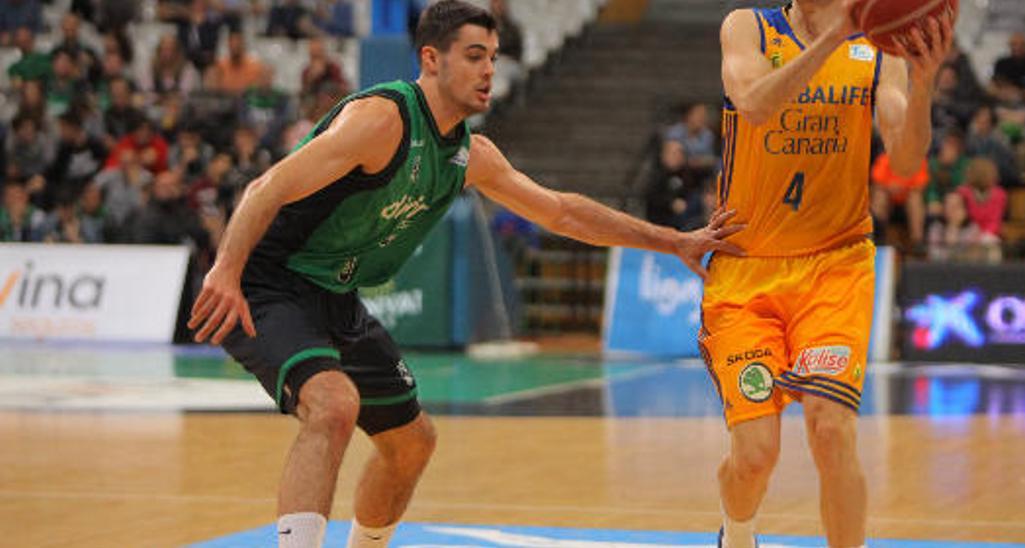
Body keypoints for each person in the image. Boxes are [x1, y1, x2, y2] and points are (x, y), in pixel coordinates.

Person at [185, 4, 741, 548]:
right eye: (474, 56)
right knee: (333, 405)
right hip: (267, 279)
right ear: (432, 59)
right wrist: (227, 271)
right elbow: (266, 188)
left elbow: (563, 211)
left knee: (412, 444)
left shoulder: (471, 154)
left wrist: (673, 241)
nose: (488, 71)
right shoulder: (381, 121)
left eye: (494, 58)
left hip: (335, 294)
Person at [709, 1, 950, 546]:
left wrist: (925, 81)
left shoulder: (875, 46)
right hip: (747, 271)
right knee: (755, 457)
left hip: (835, 265)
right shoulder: (747, 26)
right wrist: (831, 40)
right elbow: (752, 104)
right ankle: (737, 532)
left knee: (831, 429)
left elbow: (907, 164)